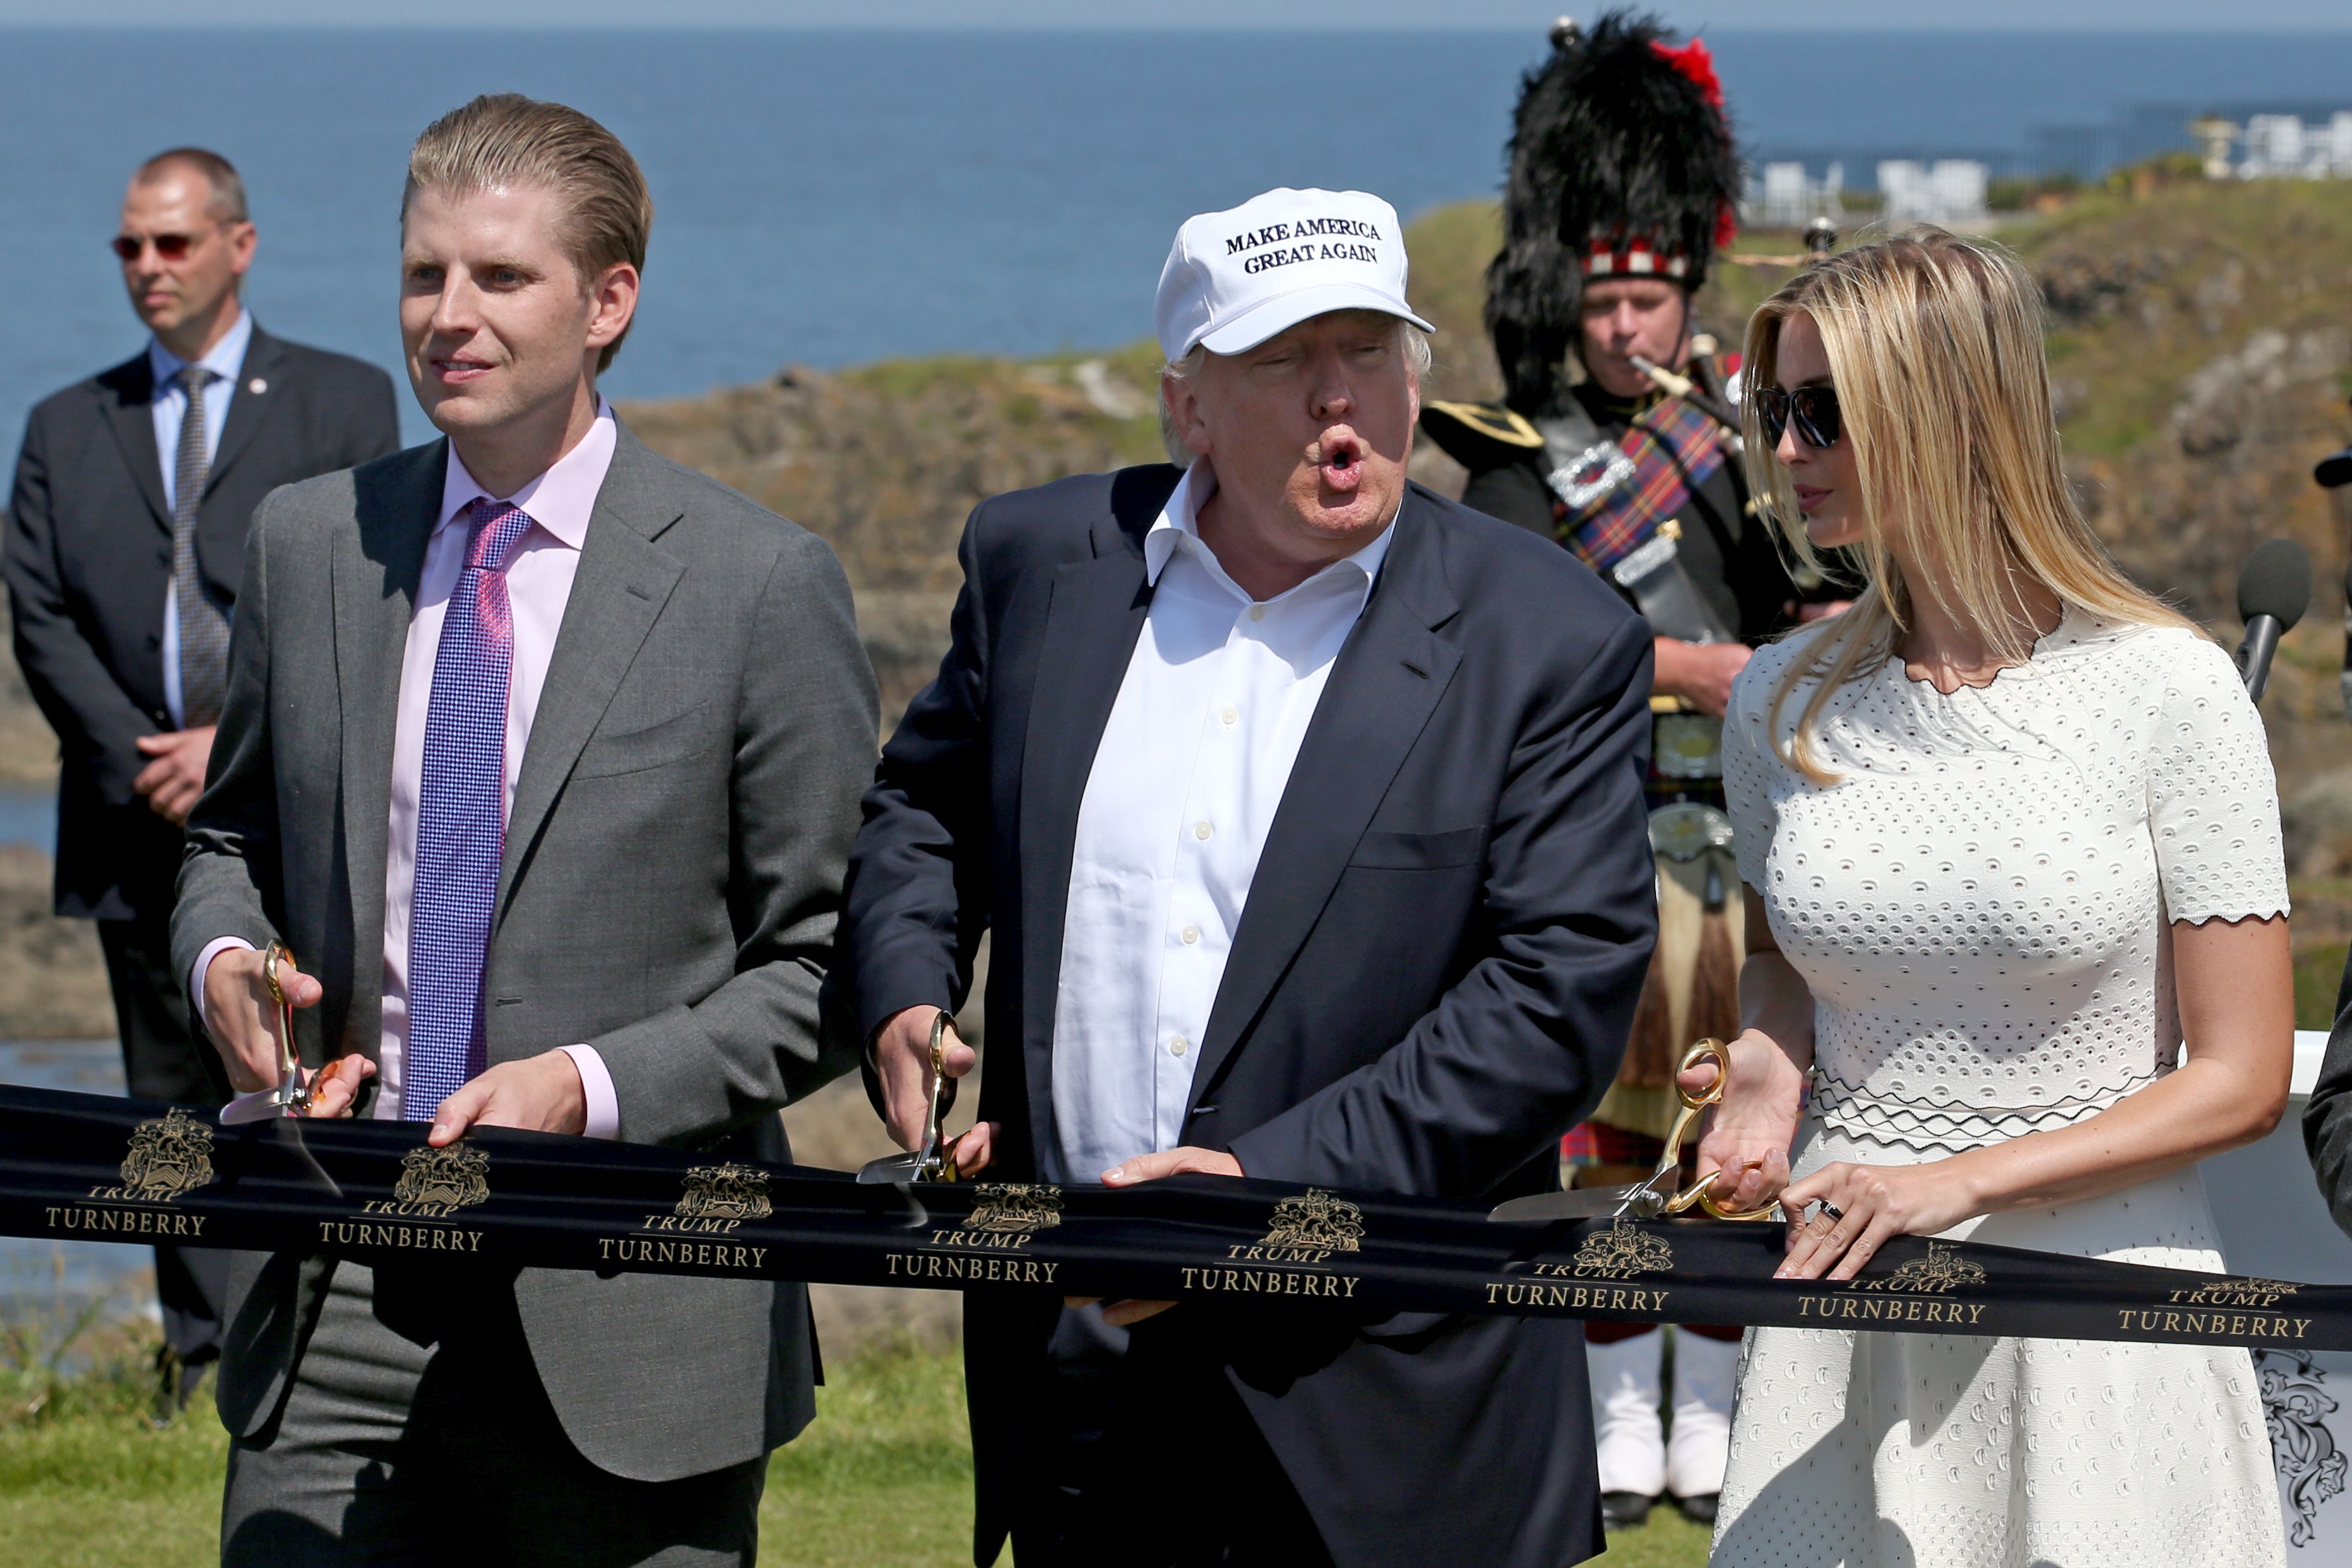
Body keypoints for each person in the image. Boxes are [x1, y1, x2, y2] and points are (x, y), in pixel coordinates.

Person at [842, 186, 1657, 1568]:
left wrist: (1254, 1185)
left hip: (1387, 1395)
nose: (1342, 402)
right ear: (1189, 408)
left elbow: (1556, 997)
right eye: (1287, 361)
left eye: (1374, 354)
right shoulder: (1042, 565)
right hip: (1080, 1359)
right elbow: (922, 806)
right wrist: (904, 997)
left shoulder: (1552, 637)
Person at [170, 95, 877, 1567]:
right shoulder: (311, 545)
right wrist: (225, 958)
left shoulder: (757, 584)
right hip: (338, 1284)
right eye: (425, 275)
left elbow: (822, 967)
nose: (448, 316)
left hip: (634, 1312)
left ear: (609, 302)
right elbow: (223, 841)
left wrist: (586, 1083)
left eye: (500, 279)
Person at [1694, 227, 2292, 1567]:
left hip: (2099, 1314)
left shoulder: (2169, 692)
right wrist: (1763, 1064)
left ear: (1950, 412)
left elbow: (2244, 1078)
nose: (1786, 453)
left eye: (1825, 413)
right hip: (1842, 1310)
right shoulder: (1775, 701)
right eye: (1773, 411)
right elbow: (1793, 956)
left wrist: (1954, 1182)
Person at [1415, 14, 1802, 1524]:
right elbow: (1504, 654)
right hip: (1590, 839)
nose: (1631, 324)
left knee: (1725, 1126)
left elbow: (1810, 613)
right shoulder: (1511, 462)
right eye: (1607, 296)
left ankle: (1707, 1409)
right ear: (1562, 297)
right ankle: (1606, 1403)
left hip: (1739, 837)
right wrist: (1695, 670)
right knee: (1592, 1137)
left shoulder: (1741, 446)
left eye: (1654, 294)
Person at [4, 146, 398, 1410]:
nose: (148, 269)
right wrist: (142, 754)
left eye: (172, 244)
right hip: (128, 817)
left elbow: (364, 594)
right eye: (129, 247)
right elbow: (41, 611)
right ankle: (194, 1357)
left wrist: (223, 746)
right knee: (163, 1106)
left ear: (239, 245)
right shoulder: (70, 425)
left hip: (282, 814)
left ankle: (314, 1335)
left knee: (296, 1076)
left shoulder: (338, 401)